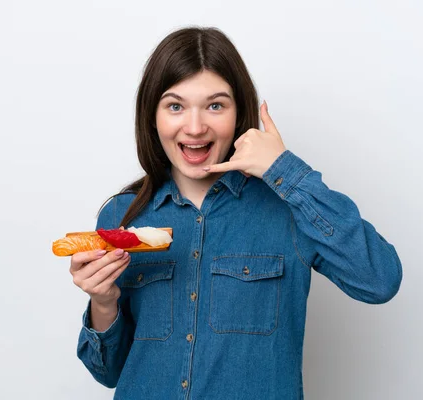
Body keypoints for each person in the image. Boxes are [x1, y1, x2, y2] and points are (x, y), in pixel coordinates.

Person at [70, 26, 402, 399]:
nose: (195, 128)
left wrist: (284, 170)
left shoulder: (289, 208)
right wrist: (103, 302)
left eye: (215, 105)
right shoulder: (121, 216)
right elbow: (108, 373)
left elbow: (380, 280)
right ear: (153, 117)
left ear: (239, 113)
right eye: (175, 106)